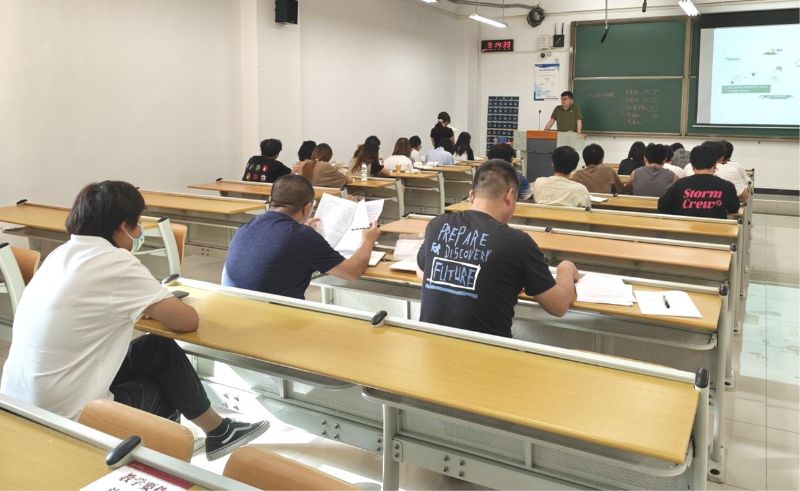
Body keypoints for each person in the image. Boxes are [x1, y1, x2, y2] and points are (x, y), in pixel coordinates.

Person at [0, 181, 269, 461]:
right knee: (162, 388)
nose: (139, 232)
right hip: (70, 416)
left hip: (21, 401)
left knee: (156, 348)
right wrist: (155, 303)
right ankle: (165, 462)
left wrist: (144, 304)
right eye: (137, 224)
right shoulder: (115, 262)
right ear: (122, 226)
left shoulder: (60, 254)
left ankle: (219, 430)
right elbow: (187, 321)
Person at [415, 160, 579, 338]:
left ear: (471, 195)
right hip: (488, 351)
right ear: (510, 195)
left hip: (431, 345)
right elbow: (558, 306)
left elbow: (422, 269)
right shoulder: (518, 243)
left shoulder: (437, 225)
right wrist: (566, 268)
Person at [222, 175, 381, 299]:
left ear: (271, 201)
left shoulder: (246, 226)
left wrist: (301, 228)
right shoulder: (302, 236)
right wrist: (368, 239)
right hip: (274, 317)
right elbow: (352, 272)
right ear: (307, 208)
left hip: (233, 307)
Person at [658, 145, 740, 219]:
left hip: (684, 229)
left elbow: (662, 206)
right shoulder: (727, 186)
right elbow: (734, 209)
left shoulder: (680, 184)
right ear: (715, 163)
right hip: (716, 229)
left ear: (692, 164)